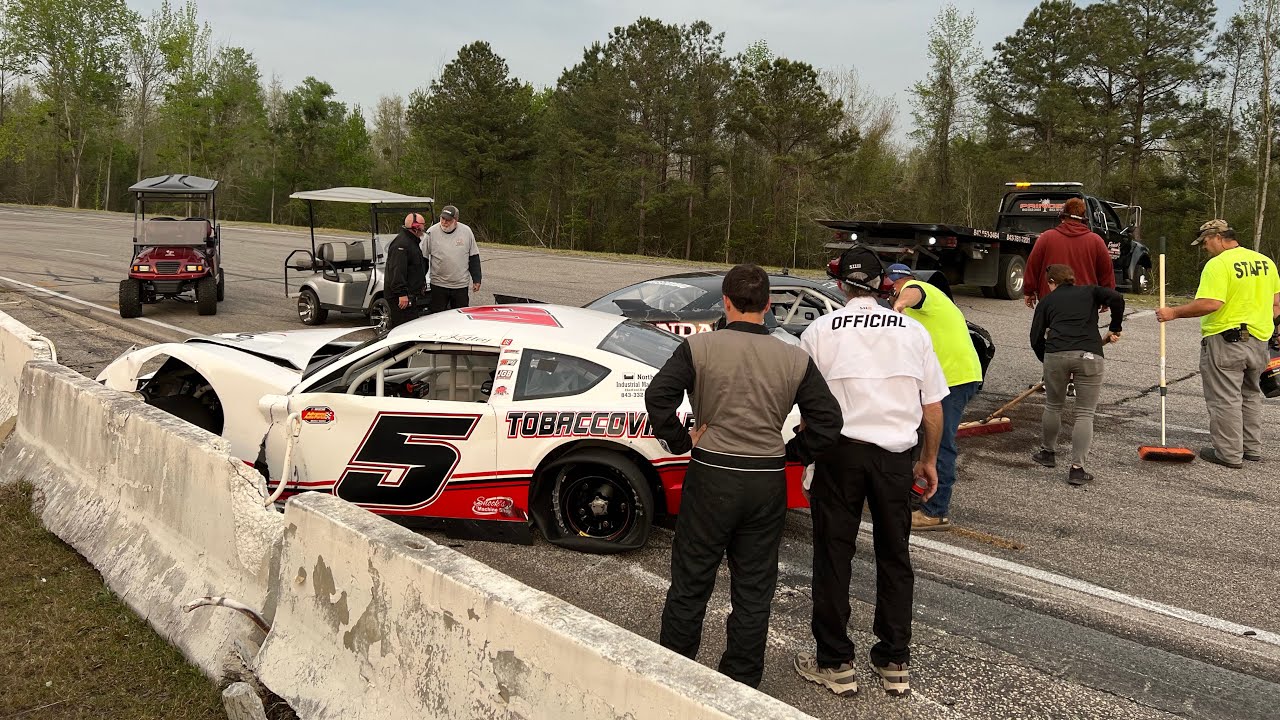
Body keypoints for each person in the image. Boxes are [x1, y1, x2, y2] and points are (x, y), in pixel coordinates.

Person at [645, 264, 842, 689]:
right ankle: (740, 682)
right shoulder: (794, 357)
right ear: (769, 305)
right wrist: (791, 453)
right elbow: (828, 422)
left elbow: (658, 395)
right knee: (753, 589)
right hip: (765, 479)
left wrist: (681, 441)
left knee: (691, 580)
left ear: (726, 302)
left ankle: (672, 679)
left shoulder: (699, 348)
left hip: (712, 472)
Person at [793, 245, 947, 698]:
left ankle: (836, 662)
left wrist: (807, 453)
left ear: (841, 285)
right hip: (895, 458)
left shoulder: (819, 331)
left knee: (833, 555)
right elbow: (932, 406)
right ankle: (894, 659)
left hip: (839, 454)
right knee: (894, 556)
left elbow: (807, 409)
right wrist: (929, 459)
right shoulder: (913, 332)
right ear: (884, 285)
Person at [1156, 219, 1280, 468]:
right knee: (1250, 394)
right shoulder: (1265, 262)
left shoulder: (1219, 265)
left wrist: (1174, 313)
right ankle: (1250, 447)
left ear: (1216, 237)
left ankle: (1228, 454)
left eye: (1204, 242)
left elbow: (1211, 303)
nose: (1204, 247)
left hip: (1226, 339)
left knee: (1225, 398)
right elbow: (1276, 303)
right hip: (1259, 339)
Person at [886, 263, 983, 530]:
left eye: (894, 287)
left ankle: (935, 511)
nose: (892, 293)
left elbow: (913, 293)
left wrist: (900, 304)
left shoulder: (918, 290)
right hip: (945, 377)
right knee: (918, 436)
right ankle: (914, 494)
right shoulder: (921, 308)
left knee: (938, 441)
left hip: (954, 379)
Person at [1029, 264, 1124, 485]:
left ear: (1051, 282)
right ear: (1072, 279)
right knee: (1085, 413)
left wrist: (1048, 361)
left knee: (1053, 406)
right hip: (1090, 355)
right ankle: (1077, 469)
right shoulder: (1090, 291)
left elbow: (1035, 338)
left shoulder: (1046, 301)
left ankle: (1047, 453)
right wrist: (1115, 327)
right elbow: (1117, 298)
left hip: (1056, 355)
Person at [1023, 197, 1116, 308]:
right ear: (1083, 218)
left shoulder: (1046, 238)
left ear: (1063, 216)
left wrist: (1029, 291)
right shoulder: (1096, 241)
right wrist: (1106, 297)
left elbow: (1033, 266)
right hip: (1085, 304)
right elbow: (1106, 272)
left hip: (1051, 302)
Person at [421, 205, 481, 312]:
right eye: (442, 219)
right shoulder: (431, 232)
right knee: (437, 315)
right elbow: (423, 259)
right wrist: (421, 280)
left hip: (460, 285)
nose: (444, 222)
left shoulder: (466, 232)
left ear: (456, 220)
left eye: (448, 220)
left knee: (459, 316)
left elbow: (474, 256)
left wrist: (477, 279)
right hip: (438, 284)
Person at [383, 213, 429, 330]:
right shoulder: (402, 244)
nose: (424, 228)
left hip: (411, 294)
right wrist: (402, 294)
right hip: (401, 297)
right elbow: (397, 270)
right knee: (403, 328)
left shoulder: (412, 241)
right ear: (416, 226)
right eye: (423, 225)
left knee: (411, 325)